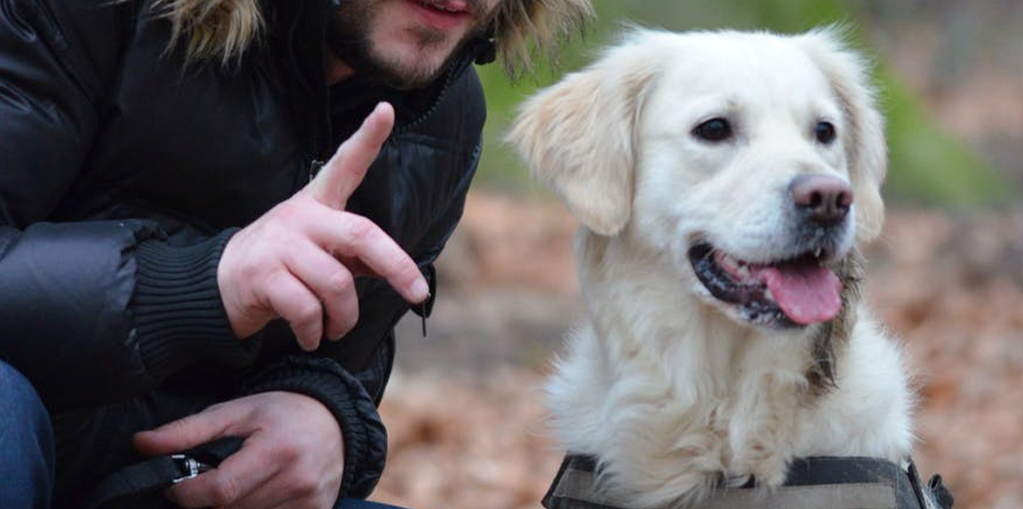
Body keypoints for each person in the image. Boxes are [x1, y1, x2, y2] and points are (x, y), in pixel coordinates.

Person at [0, 0, 592, 507]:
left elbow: (349, 357)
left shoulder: (445, 114)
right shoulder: (92, 13)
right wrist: (204, 286)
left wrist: (327, 414)